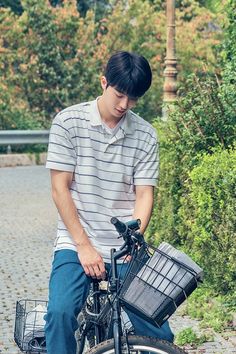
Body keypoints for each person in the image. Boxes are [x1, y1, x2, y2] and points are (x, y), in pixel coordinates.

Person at [45, 51, 174, 354]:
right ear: (103, 82)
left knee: (158, 330)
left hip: (125, 245)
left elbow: (144, 194)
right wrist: (84, 246)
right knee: (60, 313)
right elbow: (59, 190)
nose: (124, 105)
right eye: (119, 95)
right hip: (76, 241)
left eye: (133, 99)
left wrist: (135, 238)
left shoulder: (145, 134)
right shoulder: (68, 122)